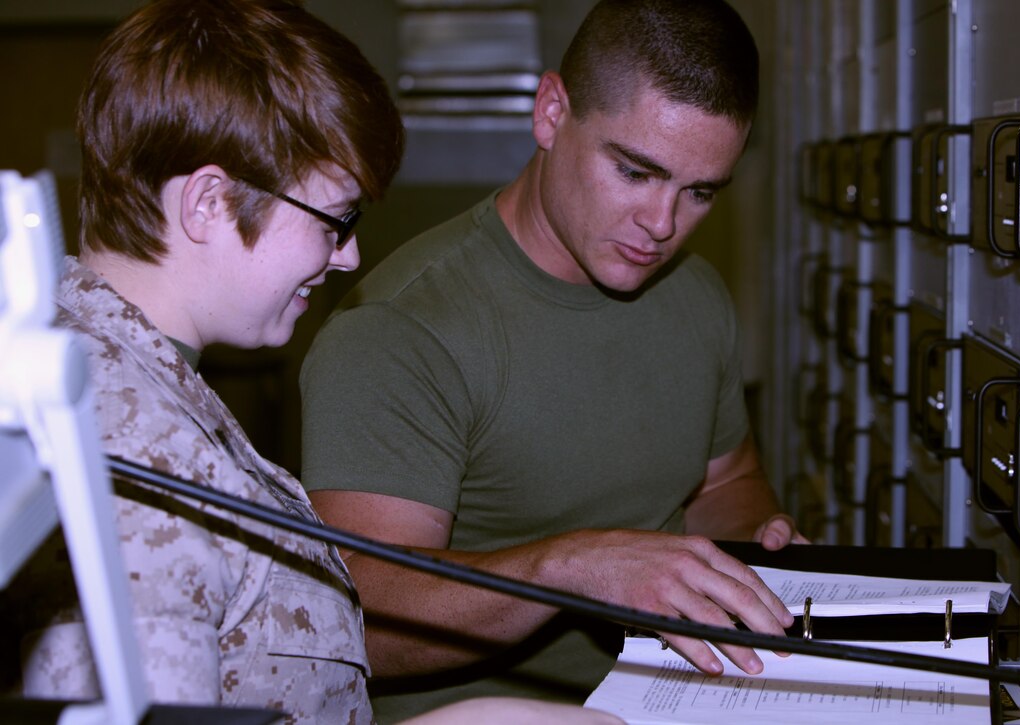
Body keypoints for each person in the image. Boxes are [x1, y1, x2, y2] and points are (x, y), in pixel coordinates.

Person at [2, 1, 620, 723]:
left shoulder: (124, 377)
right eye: (335, 219)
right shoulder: (128, 448)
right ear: (208, 201)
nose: (349, 254)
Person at [299, 0, 805, 720]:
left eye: (698, 192)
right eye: (635, 171)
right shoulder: (401, 330)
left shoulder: (695, 294)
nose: (662, 225)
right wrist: (574, 571)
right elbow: (363, 624)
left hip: (683, 700)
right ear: (550, 112)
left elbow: (728, 480)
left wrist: (755, 546)